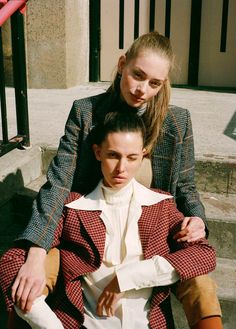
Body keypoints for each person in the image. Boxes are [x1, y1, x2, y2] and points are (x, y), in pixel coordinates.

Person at [1, 31, 222, 328]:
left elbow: (185, 187)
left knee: (200, 280)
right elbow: (59, 182)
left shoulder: (176, 121)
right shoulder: (86, 112)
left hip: (151, 235)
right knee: (23, 271)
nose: (142, 89)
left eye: (154, 83)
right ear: (122, 65)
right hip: (88, 232)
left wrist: (196, 219)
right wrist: (38, 250)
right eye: (137, 75)